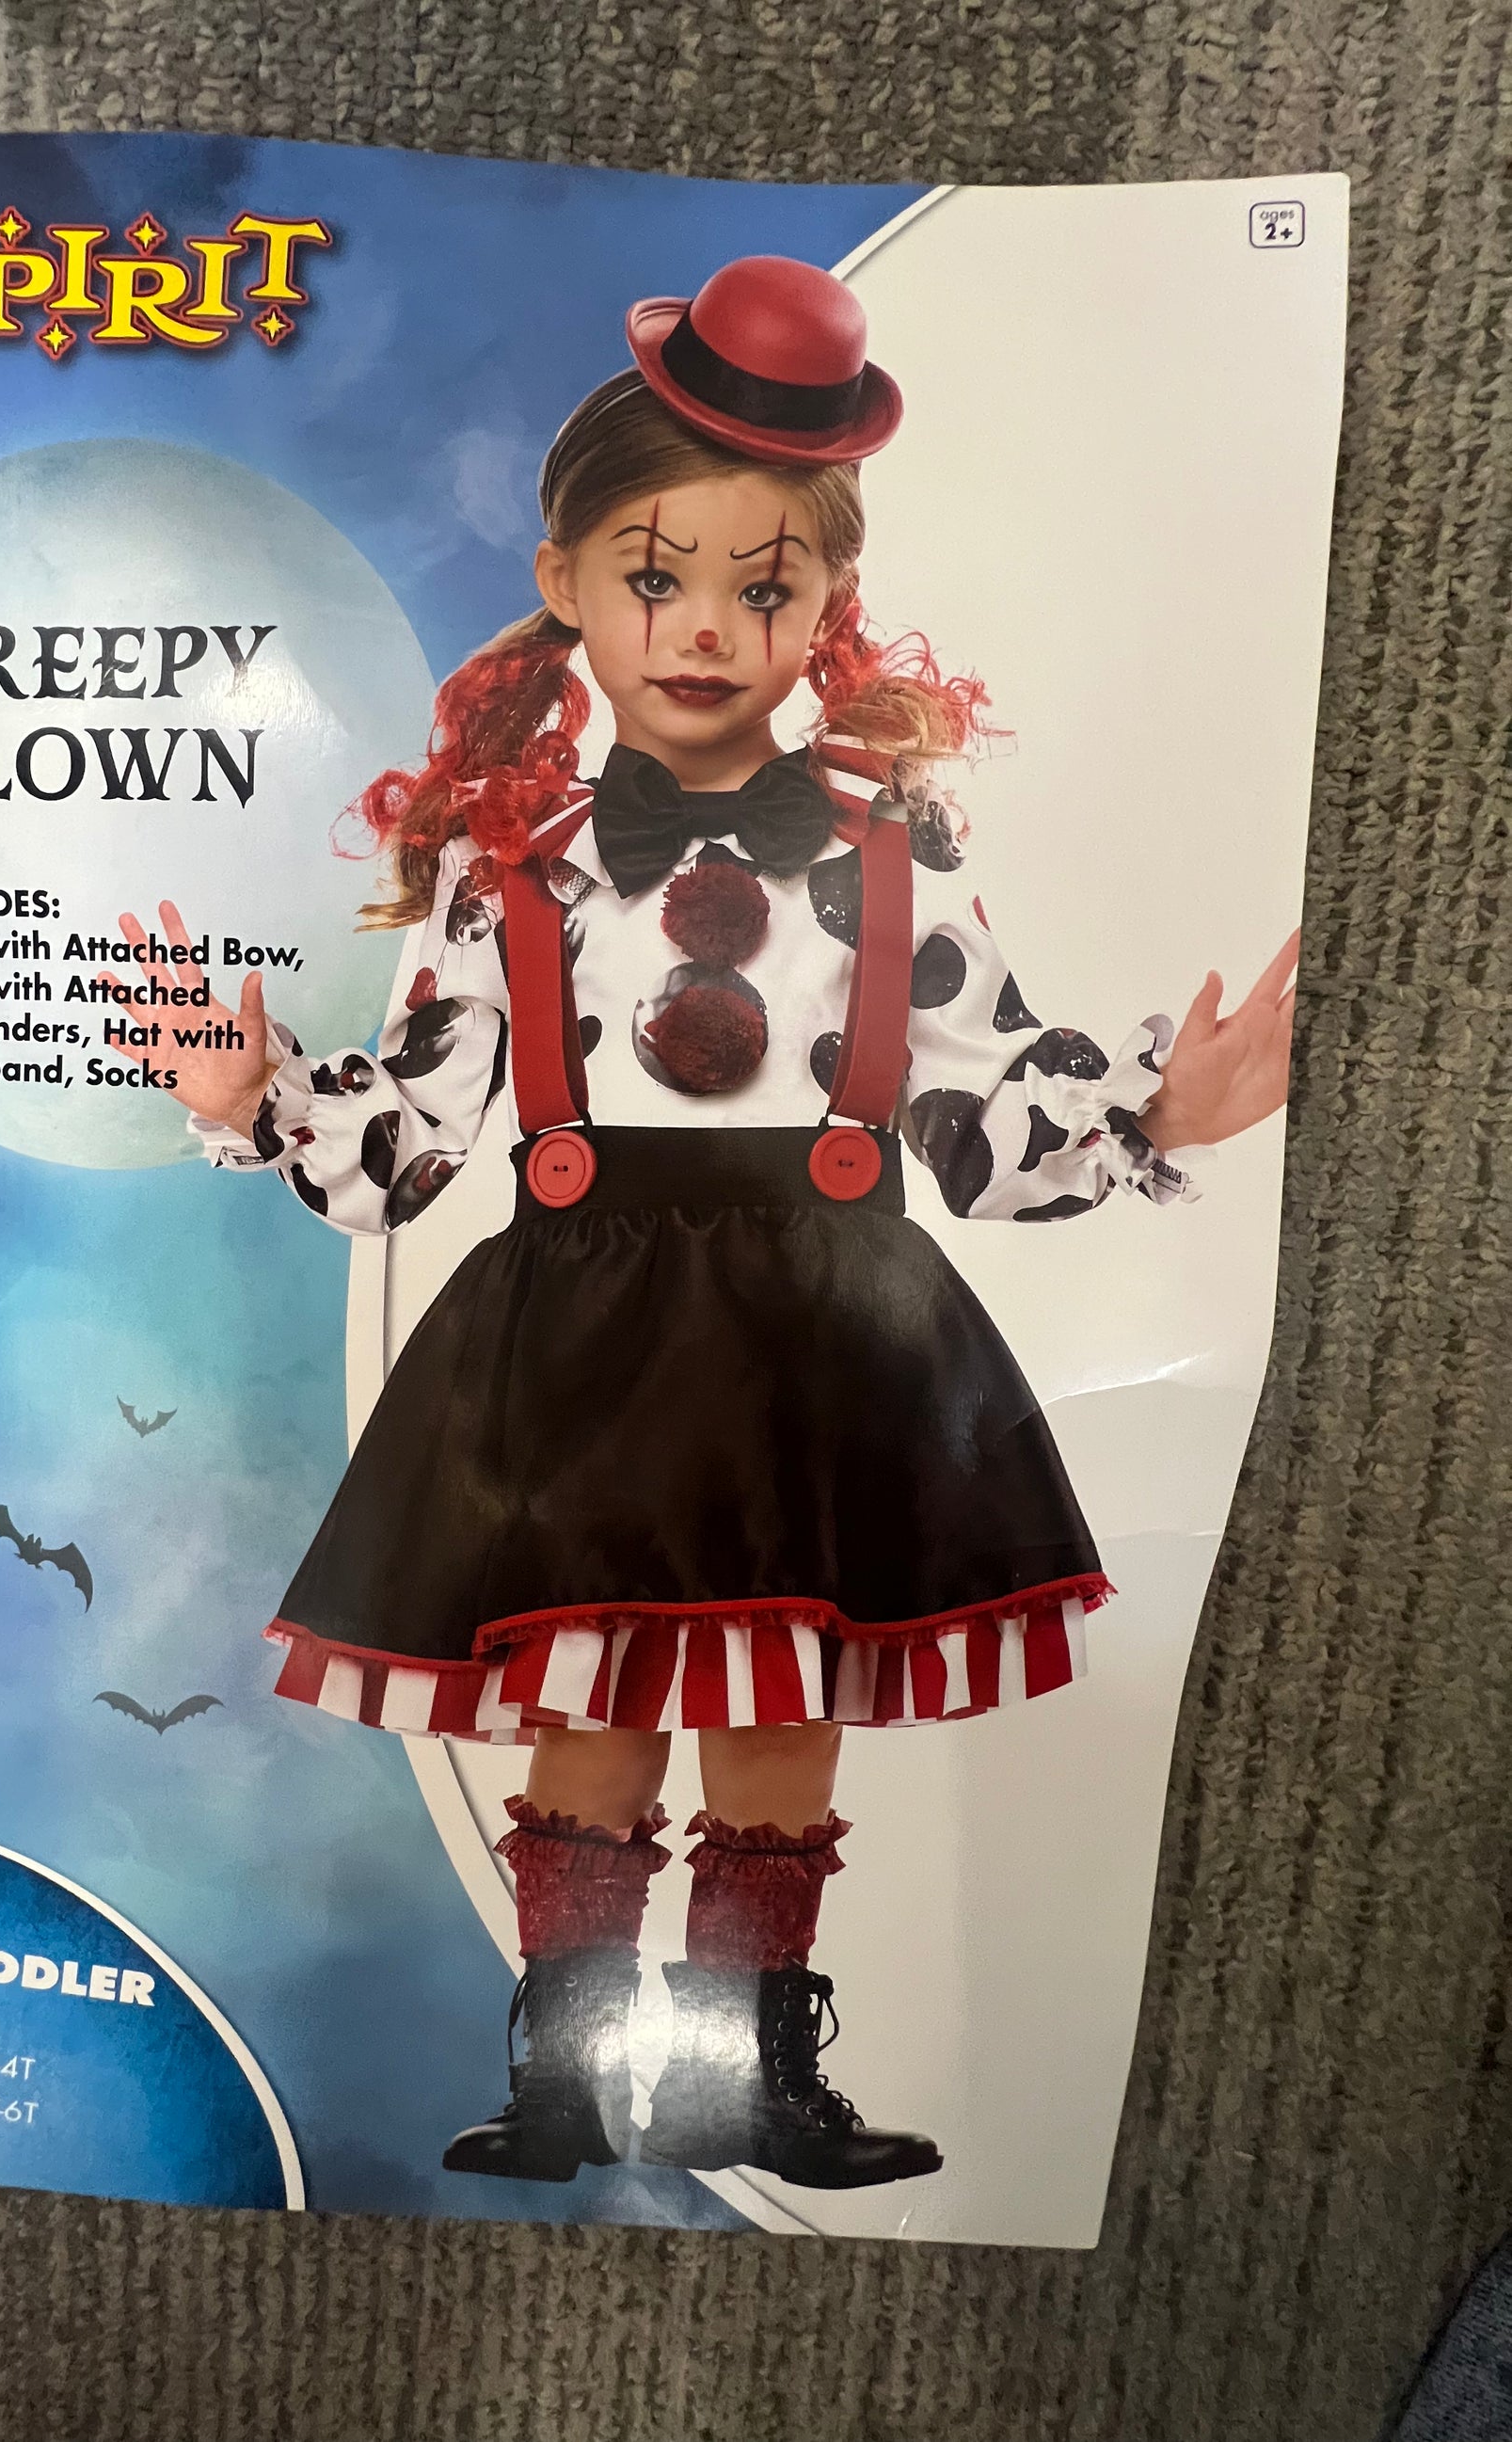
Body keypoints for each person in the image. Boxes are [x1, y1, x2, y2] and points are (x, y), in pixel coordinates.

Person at [106, 256, 1296, 2191]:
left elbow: (983, 1116)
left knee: (777, 1729)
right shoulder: (517, 871)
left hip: (827, 1336)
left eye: (766, 584)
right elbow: (408, 1142)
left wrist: (1161, 1109)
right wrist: (254, 1100)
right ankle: (570, 2067)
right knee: (586, 1715)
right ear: (566, 581)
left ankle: (747, 2074)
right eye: (655, 576)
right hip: (578, 1338)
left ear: (828, 609)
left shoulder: (894, 859)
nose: (707, 626)